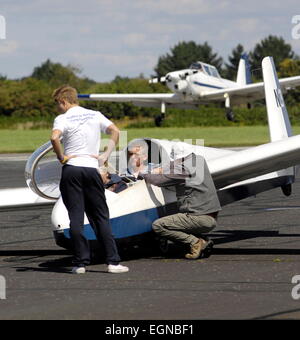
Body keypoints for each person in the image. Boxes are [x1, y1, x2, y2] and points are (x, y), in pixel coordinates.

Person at [50, 85, 128, 274]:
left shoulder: (62, 118)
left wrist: (61, 157)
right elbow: (115, 131)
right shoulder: (95, 114)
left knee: (75, 218)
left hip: (72, 169)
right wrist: (105, 155)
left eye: (58, 104)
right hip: (91, 169)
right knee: (100, 217)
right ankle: (112, 262)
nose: (58, 108)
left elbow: (54, 138)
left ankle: (80, 264)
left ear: (63, 101)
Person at [142, 153, 221, 259]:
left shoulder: (184, 170)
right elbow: (177, 162)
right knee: (177, 221)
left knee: (159, 225)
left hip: (198, 217)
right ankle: (204, 240)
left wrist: (142, 174)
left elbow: (158, 180)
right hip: (210, 216)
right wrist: (161, 169)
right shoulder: (198, 159)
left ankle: (196, 242)